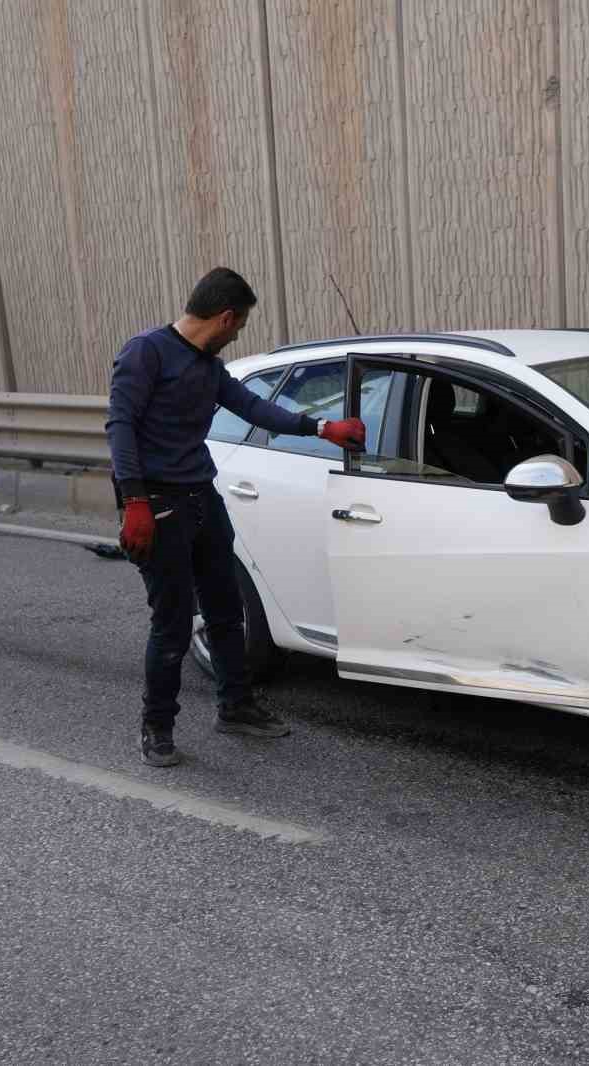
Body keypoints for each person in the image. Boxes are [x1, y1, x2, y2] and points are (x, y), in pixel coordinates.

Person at [106, 267, 365, 767]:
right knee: (172, 624)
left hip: (202, 497)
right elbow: (119, 426)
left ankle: (236, 706)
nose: (238, 335)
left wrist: (320, 427)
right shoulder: (146, 352)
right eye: (240, 325)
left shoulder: (207, 366)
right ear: (225, 317)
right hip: (157, 503)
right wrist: (134, 501)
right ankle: (156, 728)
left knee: (226, 610)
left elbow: (253, 407)